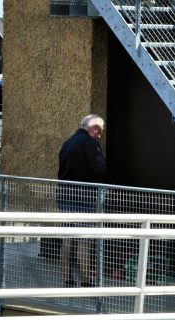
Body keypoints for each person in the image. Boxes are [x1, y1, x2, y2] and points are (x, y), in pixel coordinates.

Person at [57, 114, 107, 287]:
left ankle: (67, 280)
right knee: (85, 239)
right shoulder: (90, 143)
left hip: (64, 194)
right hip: (84, 196)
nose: (100, 136)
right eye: (99, 132)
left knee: (68, 238)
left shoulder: (68, 142)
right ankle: (86, 280)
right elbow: (100, 169)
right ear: (94, 129)